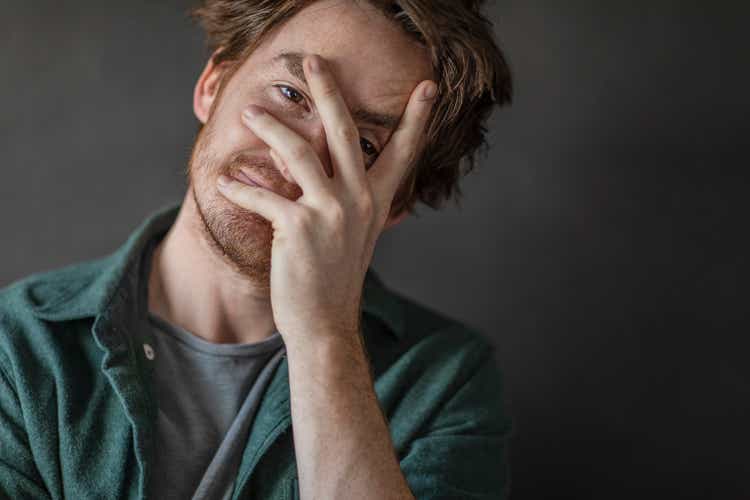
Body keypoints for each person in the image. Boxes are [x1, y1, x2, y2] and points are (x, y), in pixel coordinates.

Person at [0, 0, 513, 498]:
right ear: (213, 85)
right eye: (291, 94)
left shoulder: (446, 379)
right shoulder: (18, 347)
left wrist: (325, 338)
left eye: (362, 145)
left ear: (394, 206)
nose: (295, 161)